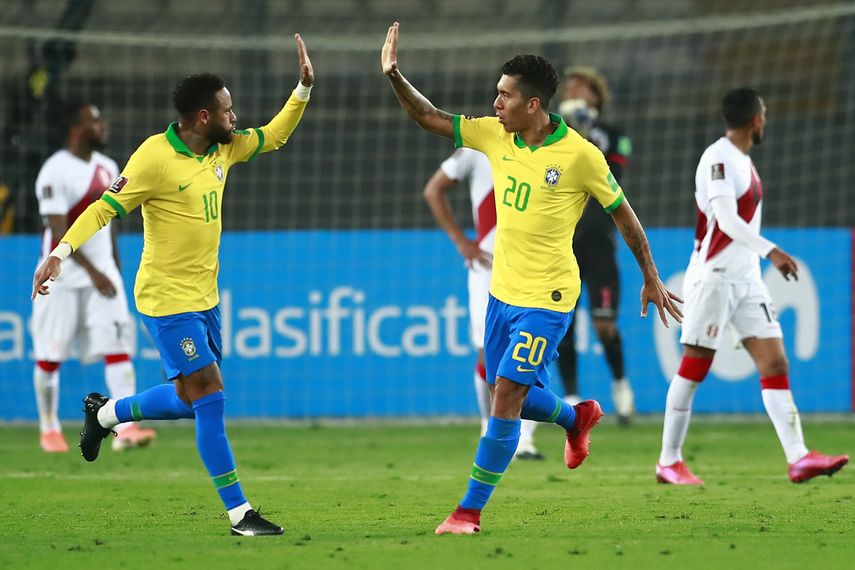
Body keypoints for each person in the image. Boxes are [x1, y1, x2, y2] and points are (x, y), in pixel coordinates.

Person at [381, 22, 682, 535]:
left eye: (505, 95)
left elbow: (624, 216)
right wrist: (394, 75)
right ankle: (575, 416)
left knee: (504, 399)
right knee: (510, 390)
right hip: (502, 293)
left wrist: (650, 277)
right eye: (496, 93)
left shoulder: (582, 156)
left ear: (534, 104)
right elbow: (429, 117)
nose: (494, 103)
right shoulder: (495, 135)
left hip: (550, 296)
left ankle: (467, 512)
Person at [32, 34, 314, 536]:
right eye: (227, 110)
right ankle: (239, 513)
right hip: (165, 301)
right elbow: (103, 208)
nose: (235, 116)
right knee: (210, 396)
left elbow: (273, 136)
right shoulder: (153, 157)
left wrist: (302, 91)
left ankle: (107, 415)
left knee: (189, 399)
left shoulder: (222, 150)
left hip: (205, 299)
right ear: (203, 116)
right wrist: (59, 253)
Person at [656, 87, 848, 485]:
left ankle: (799, 458)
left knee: (775, 362)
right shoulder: (719, 158)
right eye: (764, 114)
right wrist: (771, 251)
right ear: (755, 119)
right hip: (715, 277)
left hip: (746, 280)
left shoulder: (744, 161)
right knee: (694, 367)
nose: (765, 121)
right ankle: (668, 461)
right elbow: (725, 220)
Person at [31, 100, 155, 453]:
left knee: (118, 348)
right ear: (75, 129)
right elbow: (59, 231)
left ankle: (127, 428)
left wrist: (112, 268)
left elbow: (110, 224)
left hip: (104, 276)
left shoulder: (109, 167)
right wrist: (94, 271)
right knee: (50, 354)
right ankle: (50, 428)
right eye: (94, 122)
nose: (103, 127)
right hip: (62, 278)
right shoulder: (55, 171)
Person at [423, 148, 542, 460]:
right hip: (487, 268)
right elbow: (433, 189)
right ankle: (488, 427)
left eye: (509, 96)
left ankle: (524, 439)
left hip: (531, 267)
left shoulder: (546, 145)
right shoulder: (477, 148)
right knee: (487, 353)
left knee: (530, 351)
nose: (501, 104)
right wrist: (461, 241)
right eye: (500, 95)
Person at [556, 67, 634, 424]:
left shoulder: (615, 136)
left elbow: (613, 180)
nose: (572, 90)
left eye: (581, 86)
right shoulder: (552, 134)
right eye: (568, 86)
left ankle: (620, 384)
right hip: (562, 246)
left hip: (600, 245)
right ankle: (572, 397)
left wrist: (586, 138)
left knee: (605, 326)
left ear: (596, 96)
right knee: (562, 324)